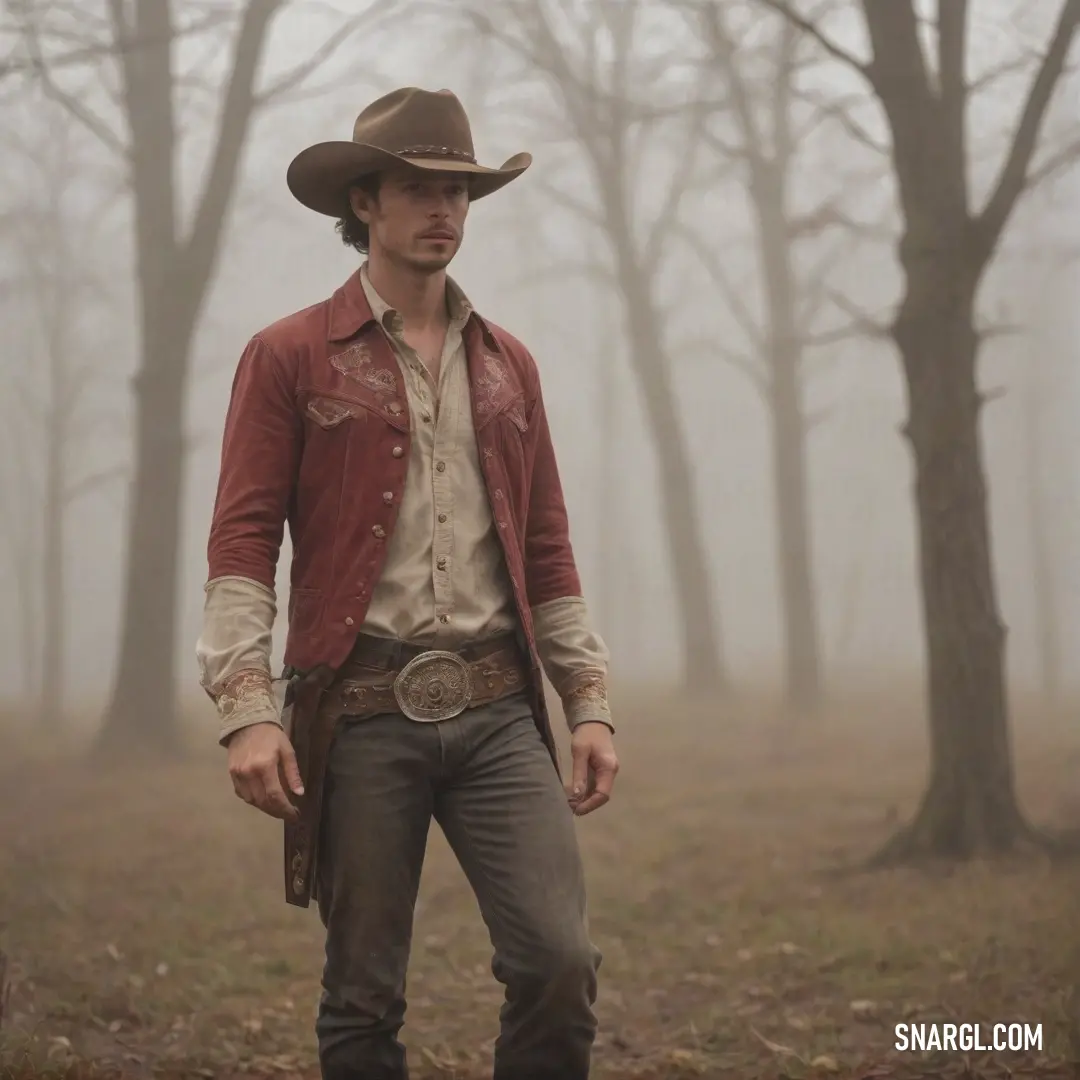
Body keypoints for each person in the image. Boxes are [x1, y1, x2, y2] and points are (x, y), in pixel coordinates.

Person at [195, 86, 620, 1080]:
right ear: (366, 205)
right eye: (419, 189)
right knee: (362, 997)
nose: (443, 211)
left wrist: (587, 701)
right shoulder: (290, 356)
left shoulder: (509, 364)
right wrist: (247, 708)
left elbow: (547, 547)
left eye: (460, 193)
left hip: (499, 711)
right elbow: (243, 541)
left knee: (559, 963)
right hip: (360, 714)